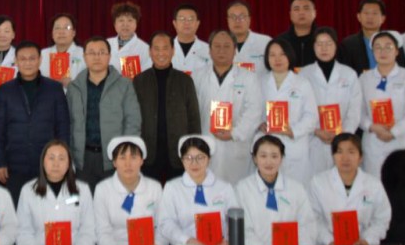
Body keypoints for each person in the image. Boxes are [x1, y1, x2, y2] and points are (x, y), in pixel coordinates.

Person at [0, 41, 71, 204]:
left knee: (46, 209)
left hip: (47, 164)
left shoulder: (54, 88)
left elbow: (63, 126)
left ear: (40, 60)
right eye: (23, 59)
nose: (28, 63)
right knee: (16, 210)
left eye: (32, 58)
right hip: (14, 165)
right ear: (16, 61)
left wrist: (62, 160)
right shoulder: (5, 90)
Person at [67, 37, 142, 186]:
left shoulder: (124, 84)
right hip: (83, 158)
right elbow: (68, 122)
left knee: (114, 199)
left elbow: (132, 121)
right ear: (84, 57)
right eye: (92, 53)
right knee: (85, 199)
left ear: (109, 55)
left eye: (102, 52)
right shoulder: (74, 87)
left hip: (115, 157)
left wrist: (125, 154)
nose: (97, 57)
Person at [192, 29, 262, 184]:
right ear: (209, 50)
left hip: (236, 146)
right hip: (206, 143)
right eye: (217, 46)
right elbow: (191, 111)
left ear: (235, 50)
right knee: (207, 188)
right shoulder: (197, 76)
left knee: (237, 191)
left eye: (226, 46)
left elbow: (254, 111)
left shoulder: (248, 78)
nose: (221, 50)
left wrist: (235, 133)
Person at [133, 31, 201, 183]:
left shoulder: (185, 81)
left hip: (179, 153)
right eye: (156, 49)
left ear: (173, 51)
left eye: (165, 48)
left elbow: (194, 119)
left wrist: (193, 151)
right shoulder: (140, 81)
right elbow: (133, 118)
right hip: (148, 153)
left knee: (178, 194)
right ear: (150, 52)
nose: (161, 53)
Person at [16, 139, 96, 245]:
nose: (56, 164)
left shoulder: (83, 190)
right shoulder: (28, 191)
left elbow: (89, 231)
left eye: (61, 158)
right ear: (43, 162)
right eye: (51, 158)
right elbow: (22, 232)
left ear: (69, 164)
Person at [308, 133, 392, 245]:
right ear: (333, 156)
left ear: (360, 157)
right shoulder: (318, 182)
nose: (345, 158)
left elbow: (382, 219)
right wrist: (329, 241)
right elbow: (312, 218)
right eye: (339, 152)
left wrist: (367, 240)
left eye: (351, 152)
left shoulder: (373, 184)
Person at [359, 31, 405, 178]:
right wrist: (371, 126)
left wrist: (394, 132)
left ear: (397, 51)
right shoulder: (364, 78)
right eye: (378, 47)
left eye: (388, 47)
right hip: (374, 142)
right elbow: (358, 111)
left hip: (403, 142)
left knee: (403, 184)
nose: (383, 51)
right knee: (375, 185)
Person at [235, 135, 316, 245]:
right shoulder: (242, 189)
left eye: (274, 156)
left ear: (281, 158)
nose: (269, 162)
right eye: (263, 156)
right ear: (255, 159)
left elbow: (307, 224)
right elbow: (243, 230)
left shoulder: (296, 188)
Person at [158, 135, 237, 245]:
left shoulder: (224, 187)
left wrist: (228, 243)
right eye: (188, 158)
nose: (194, 163)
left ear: (209, 159)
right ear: (182, 160)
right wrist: (187, 240)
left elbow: (235, 221)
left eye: (200, 157)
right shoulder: (172, 188)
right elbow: (165, 223)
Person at [299, 27, 362, 172]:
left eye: (328, 43)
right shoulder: (304, 74)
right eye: (319, 44)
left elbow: (354, 110)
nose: (324, 48)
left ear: (335, 46)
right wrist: (315, 130)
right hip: (313, 139)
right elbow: (298, 109)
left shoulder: (349, 74)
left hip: (342, 139)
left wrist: (343, 134)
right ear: (313, 47)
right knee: (314, 180)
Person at [257, 38, 318, 185]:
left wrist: (293, 131)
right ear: (267, 58)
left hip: (294, 144)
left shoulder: (302, 83)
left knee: (295, 189)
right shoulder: (259, 82)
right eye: (272, 55)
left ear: (289, 56)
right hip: (267, 142)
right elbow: (253, 111)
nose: (277, 59)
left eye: (282, 54)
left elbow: (311, 116)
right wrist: (259, 123)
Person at [93, 136, 166, 245]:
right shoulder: (102, 189)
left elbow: (163, 226)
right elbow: (102, 232)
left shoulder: (155, 188)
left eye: (133, 157)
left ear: (141, 160)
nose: (128, 164)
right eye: (122, 158)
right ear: (114, 162)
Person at [340, 0, 405, 73]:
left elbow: (402, 69)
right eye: (366, 13)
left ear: (383, 18)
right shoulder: (348, 44)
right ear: (359, 17)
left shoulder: (394, 41)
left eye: (374, 13)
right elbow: (345, 73)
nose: (370, 17)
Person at [226, 0, 272, 78]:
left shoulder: (265, 42)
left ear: (249, 19)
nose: (237, 21)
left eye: (242, 17)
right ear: (227, 20)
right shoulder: (219, 45)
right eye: (233, 17)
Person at [41, 12, 86, 86]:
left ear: (73, 33)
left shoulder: (84, 54)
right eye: (57, 28)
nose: (61, 32)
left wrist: (72, 84)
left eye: (66, 28)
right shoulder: (42, 54)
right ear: (52, 34)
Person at [107, 1, 151, 76]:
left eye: (130, 20)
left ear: (136, 24)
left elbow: (146, 76)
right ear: (114, 24)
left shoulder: (145, 49)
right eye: (121, 20)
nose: (125, 24)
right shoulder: (106, 44)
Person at [276, 0, 318, 68]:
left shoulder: (324, 39)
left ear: (314, 13)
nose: (301, 12)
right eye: (296, 9)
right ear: (290, 15)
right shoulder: (280, 41)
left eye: (306, 8)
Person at [170, 4, 210, 74]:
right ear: (175, 23)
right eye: (182, 19)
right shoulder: (165, 49)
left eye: (191, 19)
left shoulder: (209, 50)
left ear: (197, 23)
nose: (186, 23)